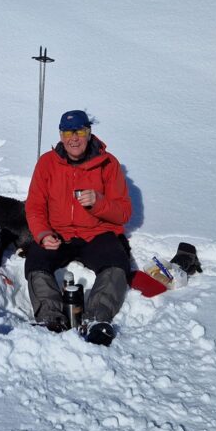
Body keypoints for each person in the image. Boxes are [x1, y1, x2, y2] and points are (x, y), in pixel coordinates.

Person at [24, 109, 132, 345]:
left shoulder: (108, 164)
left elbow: (123, 212)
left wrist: (99, 202)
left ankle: (96, 319)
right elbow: (34, 206)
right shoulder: (47, 163)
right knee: (36, 262)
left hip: (96, 234)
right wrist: (43, 235)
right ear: (61, 135)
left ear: (89, 133)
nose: (74, 138)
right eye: (68, 132)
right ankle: (50, 318)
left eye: (80, 131)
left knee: (116, 264)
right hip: (58, 233)